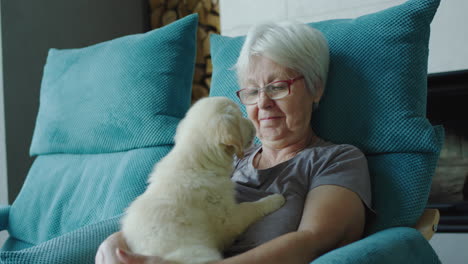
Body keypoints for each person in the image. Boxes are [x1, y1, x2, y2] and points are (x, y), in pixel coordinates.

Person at [96, 21, 373, 264]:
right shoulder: (226, 158)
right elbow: (170, 211)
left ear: (316, 87)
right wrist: (115, 245)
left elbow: (311, 242)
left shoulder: (337, 160)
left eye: (277, 87)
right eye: (252, 91)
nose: (263, 102)